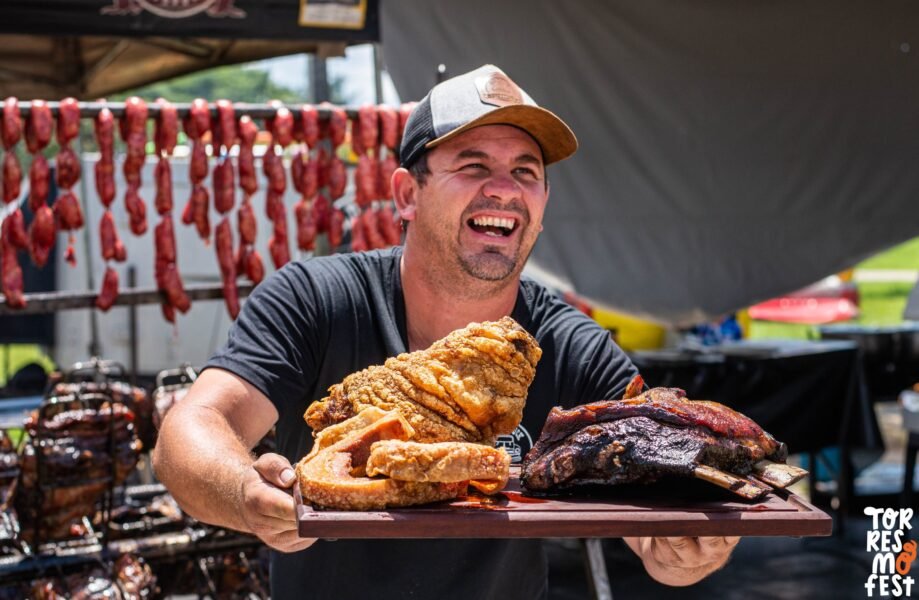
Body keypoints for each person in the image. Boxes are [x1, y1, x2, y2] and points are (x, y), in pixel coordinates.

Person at [153, 64, 739, 599]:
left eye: (525, 172)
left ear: (542, 204)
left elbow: (658, 525)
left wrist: (685, 550)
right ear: (407, 194)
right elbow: (190, 429)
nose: (504, 188)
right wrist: (244, 494)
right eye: (473, 165)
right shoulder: (316, 300)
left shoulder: (568, 344)